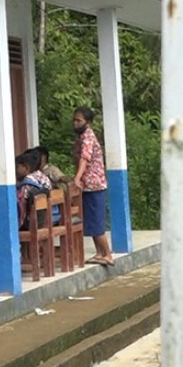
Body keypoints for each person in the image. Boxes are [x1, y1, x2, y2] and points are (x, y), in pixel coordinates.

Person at [72, 107, 113, 266]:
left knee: (96, 223)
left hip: (94, 185)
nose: (75, 123)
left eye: (79, 121)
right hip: (88, 186)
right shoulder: (82, 137)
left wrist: (77, 178)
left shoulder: (88, 137)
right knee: (91, 222)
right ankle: (99, 253)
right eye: (74, 120)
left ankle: (107, 254)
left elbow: (85, 158)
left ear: (87, 122)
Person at [15, 149, 52, 230]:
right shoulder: (43, 177)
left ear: (26, 168)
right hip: (46, 217)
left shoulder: (26, 185)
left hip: (31, 223)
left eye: (17, 167)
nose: (14, 171)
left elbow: (22, 209)